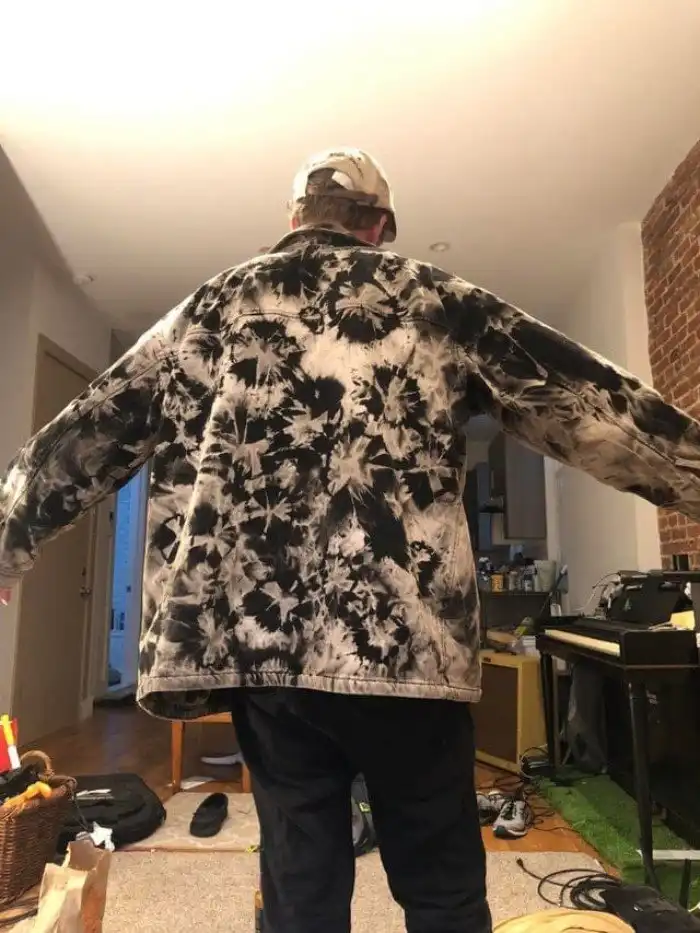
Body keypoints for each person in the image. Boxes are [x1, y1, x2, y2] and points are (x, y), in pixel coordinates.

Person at [1, 146, 700, 933]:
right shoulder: (431, 297)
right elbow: (585, 399)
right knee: (440, 884)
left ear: (294, 219)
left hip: (265, 655)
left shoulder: (215, 307)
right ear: (379, 226)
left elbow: (94, 423)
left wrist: (7, 538)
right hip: (408, 652)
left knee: (301, 879)